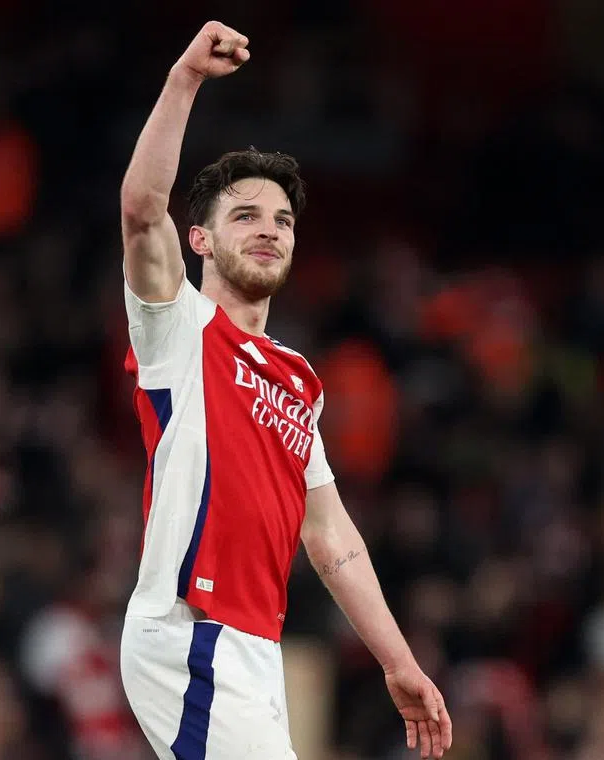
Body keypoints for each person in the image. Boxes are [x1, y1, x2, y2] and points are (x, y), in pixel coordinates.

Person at [117, 21, 454, 760]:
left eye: (282, 220)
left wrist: (398, 661)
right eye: (244, 216)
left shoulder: (299, 381)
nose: (268, 231)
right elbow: (143, 209)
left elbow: (330, 537)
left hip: (256, 648)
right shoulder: (181, 327)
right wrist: (186, 80)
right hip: (192, 631)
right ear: (200, 239)